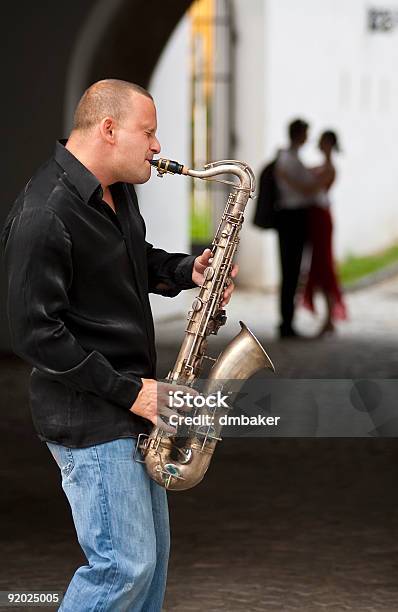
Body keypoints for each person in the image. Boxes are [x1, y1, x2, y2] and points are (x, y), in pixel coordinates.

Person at [1, 79, 237, 611]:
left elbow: (133, 258)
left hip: (132, 407)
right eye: (148, 133)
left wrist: (186, 270)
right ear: (108, 130)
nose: (158, 146)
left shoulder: (117, 190)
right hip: (93, 415)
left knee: (148, 573)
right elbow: (36, 336)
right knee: (120, 570)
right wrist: (134, 394)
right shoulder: (44, 214)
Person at [274, 118, 324, 338]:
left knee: (291, 271)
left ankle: (287, 321)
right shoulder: (290, 158)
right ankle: (286, 323)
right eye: (306, 132)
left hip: (291, 218)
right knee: (291, 271)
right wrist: (322, 179)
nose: (308, 137)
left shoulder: (289, 157)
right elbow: (305, 188)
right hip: (293, 219)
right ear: (299, 134)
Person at [302, 130, 347, 334]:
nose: (318, 144)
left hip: (322, 218)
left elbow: (310, 189)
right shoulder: (322, 166)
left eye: (322, 141)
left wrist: (287, 176)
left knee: (324, 267)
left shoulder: (330, 169)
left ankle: (329, 318)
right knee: (319, 266)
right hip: (317, 218)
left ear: (328, 143)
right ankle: (328, 317)